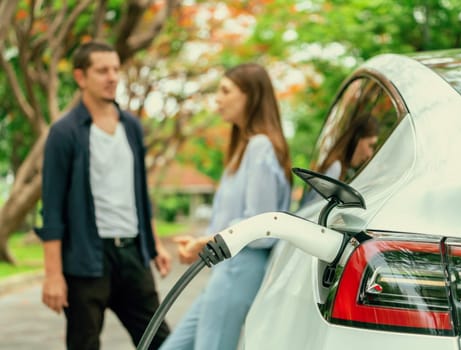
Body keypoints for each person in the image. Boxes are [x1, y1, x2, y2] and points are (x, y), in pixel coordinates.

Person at [35, 41, 172, 350]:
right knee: (84, 345)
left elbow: (139, 193)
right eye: (102, 71)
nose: (112, 77)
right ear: (81, 77)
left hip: (132, 254)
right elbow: (52, 207)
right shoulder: (65, 132)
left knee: (162, 342)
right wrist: (53, 275)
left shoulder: (132, 127)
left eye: (115, 69)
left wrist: (155, 244)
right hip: (87, 260)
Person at [159, 63, 292, 350]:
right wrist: (202, 245)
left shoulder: (260, 147)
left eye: (225, 91)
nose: (217, 99)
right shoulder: (244, 149)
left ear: (250, 96)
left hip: (239, 270)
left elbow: (259, 226)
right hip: (226, 268)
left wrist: (202, 243)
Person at [300, 114, 379, 206]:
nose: (370, 154)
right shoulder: (336, 167)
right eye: (370, 145)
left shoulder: (339, 167)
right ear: (356, 139)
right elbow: (313, 209)